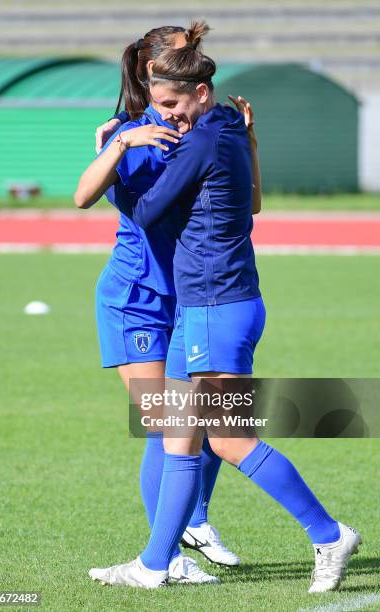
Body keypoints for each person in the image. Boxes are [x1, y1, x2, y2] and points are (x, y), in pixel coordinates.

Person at [81, 44, 361, 592]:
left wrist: (114, 148)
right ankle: (155, 564)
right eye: (158, 105)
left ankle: (327, 534)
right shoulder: (230, 123)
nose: (167, 116)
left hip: (214, 306)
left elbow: (142, 211)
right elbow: (250, 199)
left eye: (173, 104)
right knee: (178, 435)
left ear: (200, 93)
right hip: (212, 305)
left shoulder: (201, 140)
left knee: (228, 439)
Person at [75, 22, 254, 585]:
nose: (197, 65)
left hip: (190, 297)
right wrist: (119, 142)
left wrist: (246, 140)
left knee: (206, 422)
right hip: (137, 296)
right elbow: (84, 195)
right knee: (168, 424)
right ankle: (170, 552)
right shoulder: (139, 130)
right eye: (185, 58)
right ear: (157, 72)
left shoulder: (202, 126)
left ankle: (188, 526)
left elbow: (246, 207)